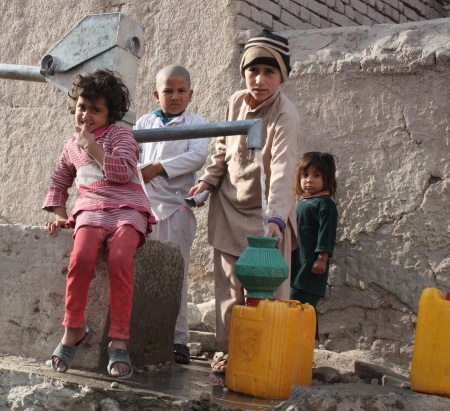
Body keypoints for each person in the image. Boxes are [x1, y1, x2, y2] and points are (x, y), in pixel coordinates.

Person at [188, 29, 299, 373]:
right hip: (229, 208)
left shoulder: (285, 114)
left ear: (282, 76)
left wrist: (277, 218)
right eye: (253, 71)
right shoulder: (237, 101)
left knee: (270, 292)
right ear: (243, 72)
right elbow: (222, 147)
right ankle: (228, 351)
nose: (260, 79)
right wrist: (208, 179)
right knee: (228, 290)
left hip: (266, 216)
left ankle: (267, 354)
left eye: (269, 72)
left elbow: (282, 168)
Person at [43, 69, 155, 379]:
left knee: (120, 257)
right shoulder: (70, 144)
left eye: (96, 109)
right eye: (82, 106)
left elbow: (120, 173)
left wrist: (92, 146)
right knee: (80, 258)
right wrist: (59, 214)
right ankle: (73, 329)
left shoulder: (122, 137)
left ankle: (118, 340)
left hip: (128, 208)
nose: (87, 115)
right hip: (91, 208)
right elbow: (60, 180)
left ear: (110, 113)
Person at [134, 64, 208, 365]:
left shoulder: (196, 123)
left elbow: (198, 157)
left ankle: (178, 340)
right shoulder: (144, 122)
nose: (175, 96)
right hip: (144, 208)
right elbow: (132, 158)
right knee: (141, 272)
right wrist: (144, 172)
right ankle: (140, 334)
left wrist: (160, 167)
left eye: (181, 91)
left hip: (176, 209)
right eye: (168, 91)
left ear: (190, 94)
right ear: (156, 94)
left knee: (176, 275)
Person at [291, 152, 338, 344]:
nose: (309, 180)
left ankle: (308, 346)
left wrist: (322, 258)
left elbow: (327, 233)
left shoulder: (325, 205)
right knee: (296, 306)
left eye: (316, 175)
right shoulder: (305, 203)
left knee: (305, 308)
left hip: (311, 268)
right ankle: (298, 344)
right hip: (298, 265)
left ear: (326, 178)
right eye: (305, 175)